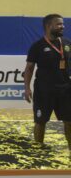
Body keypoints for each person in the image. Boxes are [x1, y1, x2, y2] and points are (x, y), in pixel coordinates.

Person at [24, 14, 71, 150]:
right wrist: (27, 88)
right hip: (44, 91)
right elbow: (29, 69)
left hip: (66, 90)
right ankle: (39, 148)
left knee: (69, 121)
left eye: (62, 24)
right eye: (59, 24)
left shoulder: (67, 43)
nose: (63, 26)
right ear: (48, 26)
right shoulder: (37, 46)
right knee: (40, 121)